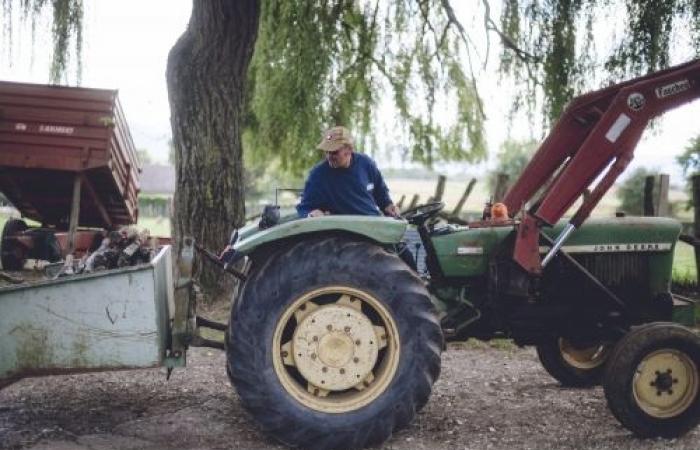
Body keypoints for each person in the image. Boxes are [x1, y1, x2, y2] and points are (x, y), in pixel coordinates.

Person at [296, 126, 400, 218]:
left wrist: (389, 207)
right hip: (342, 232)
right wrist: (311, 214)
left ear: (349, 149)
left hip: (372, 225)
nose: (329, 157)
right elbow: (304, 208)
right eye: (326, 152)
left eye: (334, 152)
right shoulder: (317, 175)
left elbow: (382, 196)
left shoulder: (367, 164)